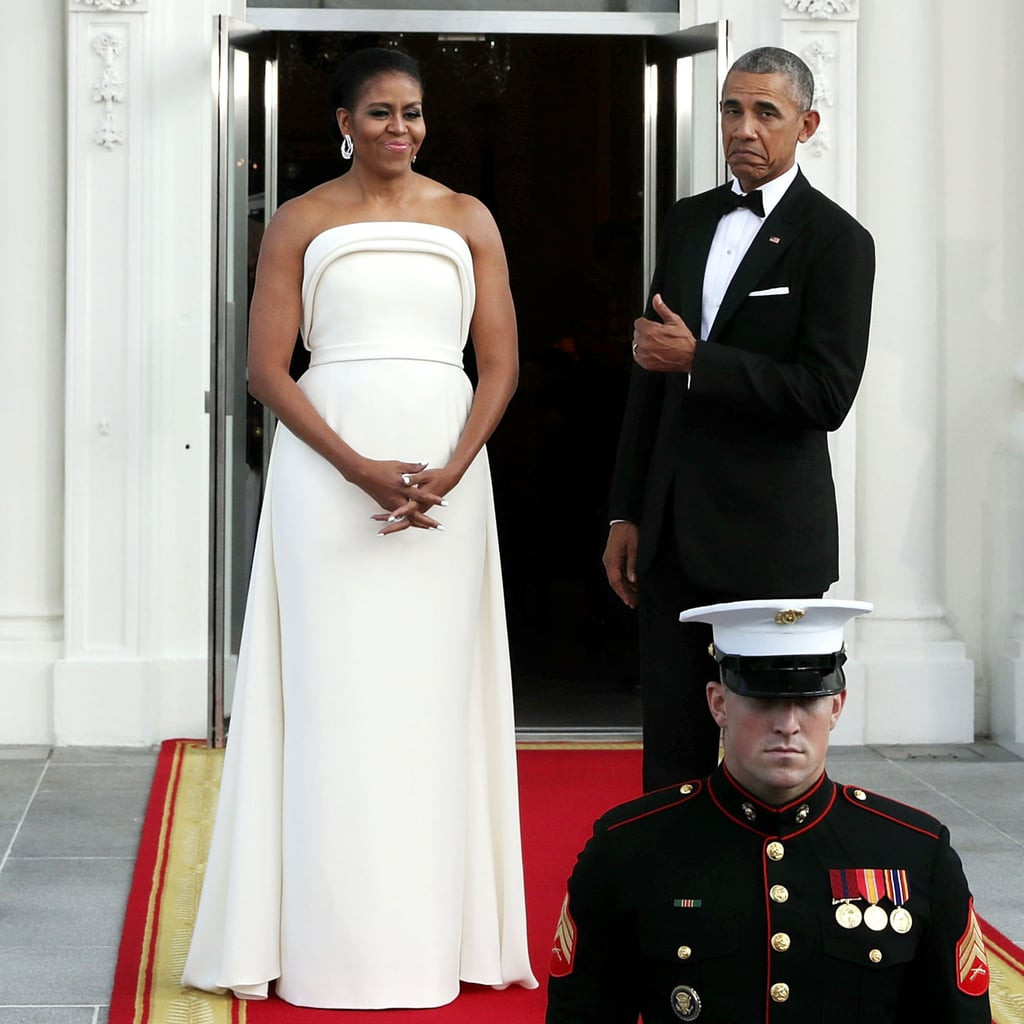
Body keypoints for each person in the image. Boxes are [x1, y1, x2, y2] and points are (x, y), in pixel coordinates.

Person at [182, 46, 537, 1008]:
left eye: (413, 113)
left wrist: (454, 467)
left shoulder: (468, 219)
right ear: (342, 121)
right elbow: (267, 369)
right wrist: (356, 468)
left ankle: (436, 941)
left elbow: (499, 364)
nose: (400, 129)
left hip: (448, 488)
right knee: (332, 696)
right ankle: (323, 944)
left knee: (428, 701)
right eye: (380, 112)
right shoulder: (302, 220)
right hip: (325, 483)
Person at [602, 46, 876, 791]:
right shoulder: (689, 222)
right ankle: (669, 899)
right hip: (670, 538)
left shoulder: (839, 241)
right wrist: (626, 513)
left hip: (771, 542)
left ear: (807, 124)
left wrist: (700, 360)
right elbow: (650, 379)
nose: (743, 127)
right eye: (732, 109)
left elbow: (827, 394)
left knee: (775, 753)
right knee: (672, 749)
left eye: (766, 112)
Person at [546, 599, 993, 1023]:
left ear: (836, 707)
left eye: (808, 700)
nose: (788, 723)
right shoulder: (629, 848)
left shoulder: (915, 851)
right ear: (718, 703)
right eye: (763, 700)